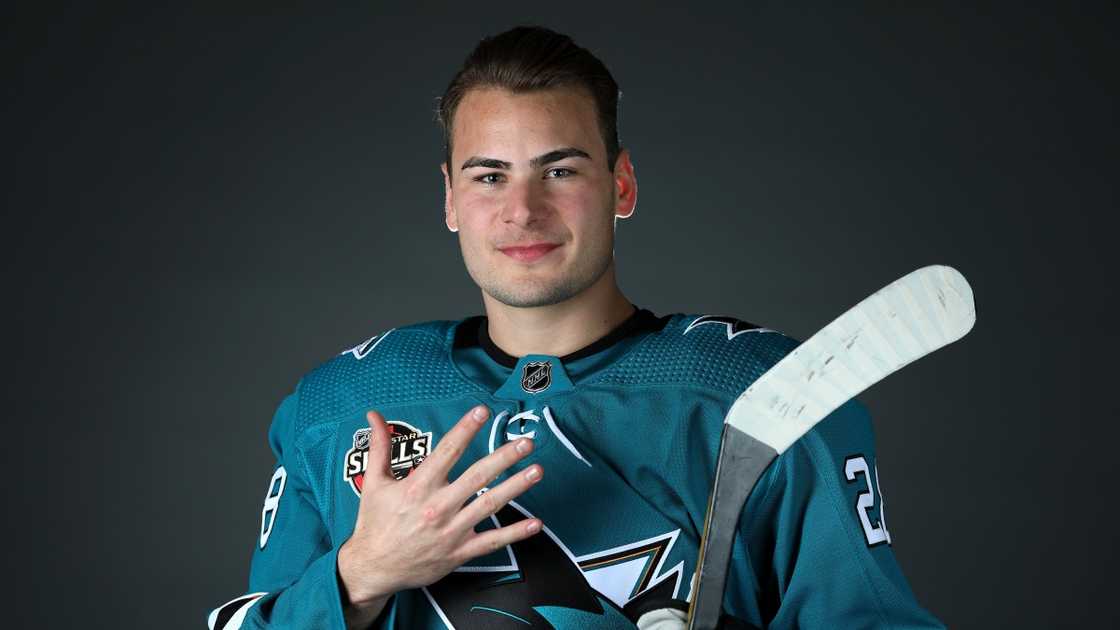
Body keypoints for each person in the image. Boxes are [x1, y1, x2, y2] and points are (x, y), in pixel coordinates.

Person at [208, 25, 943, 630]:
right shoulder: (335, 410)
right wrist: (361, 577)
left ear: (621, 185)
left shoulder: (763, 395)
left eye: (559, 171)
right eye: (489, 176)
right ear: (450, 199)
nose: (522, 210)